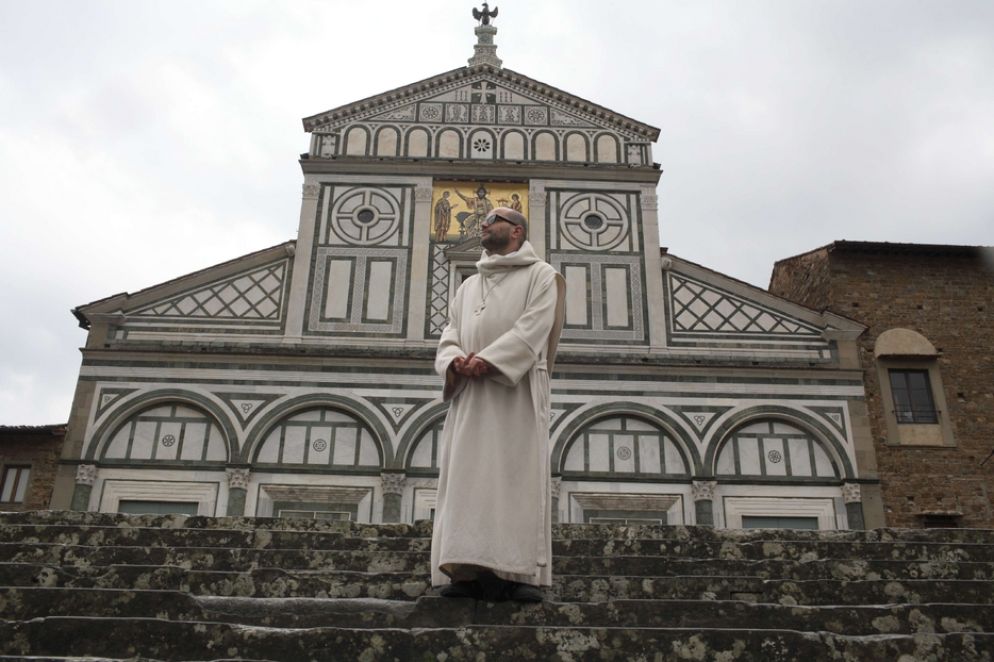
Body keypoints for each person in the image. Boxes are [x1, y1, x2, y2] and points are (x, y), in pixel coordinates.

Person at [431, 206, 566, 602]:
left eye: (495, 220)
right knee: (467, 480)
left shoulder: (542, 276)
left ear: (517, 231)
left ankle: (518, 573)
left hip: (515, 390)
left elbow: (534, 328)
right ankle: (465, 573)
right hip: (471, 394)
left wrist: (488, 360)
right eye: (485, 221)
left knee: (514, 476)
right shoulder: (467, 285)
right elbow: (450, 332)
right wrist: (453, 360)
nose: (484, 225)